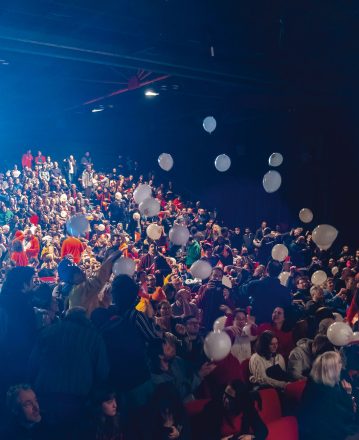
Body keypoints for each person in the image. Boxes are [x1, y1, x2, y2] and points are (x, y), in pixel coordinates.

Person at [28, 307, 109, 432]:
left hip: (46, 396)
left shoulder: (47, 332)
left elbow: (32, 364)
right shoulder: (94, 337)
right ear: (86, 319)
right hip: (78, 398)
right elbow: (102, 371)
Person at [298, 351, 358, 440]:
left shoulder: (314, 383)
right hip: (325, 434)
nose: (342, 366)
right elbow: (347, 416)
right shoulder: (328, 392)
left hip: (317, 430)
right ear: (332, 368)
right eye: (339, 363)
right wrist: (349, 394)